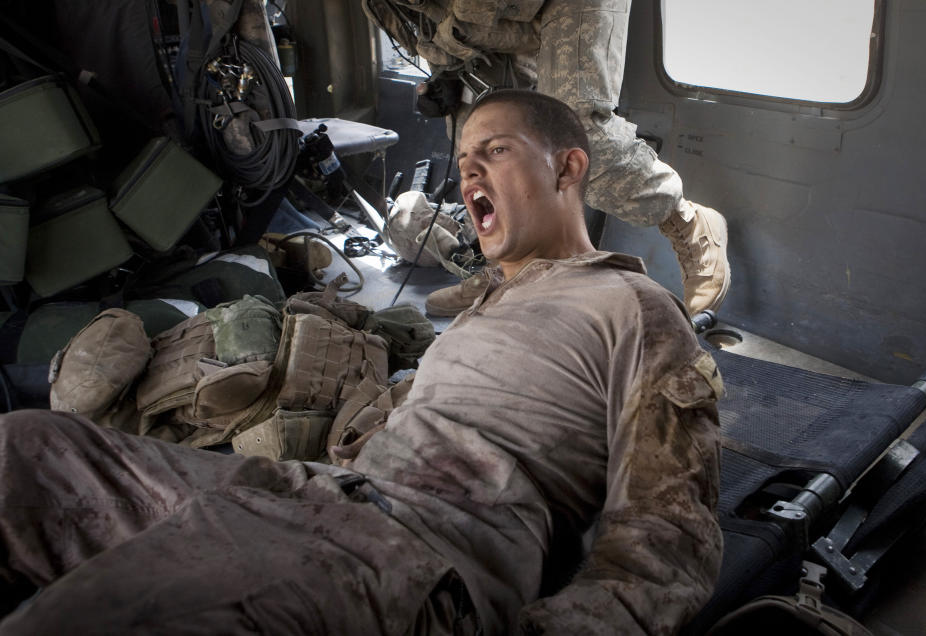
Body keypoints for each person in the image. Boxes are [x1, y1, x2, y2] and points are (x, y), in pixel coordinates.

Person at [0, 91, 722, 635]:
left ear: (568, 167)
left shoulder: (632, 305)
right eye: (463, 158)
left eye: (494, 151)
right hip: (312, 491)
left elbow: (665, 540)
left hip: (412, 544)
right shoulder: (486, 301)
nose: (468, 171)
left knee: (85, 616)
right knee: (23, 449)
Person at [363, 0, 731, 318]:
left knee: (579, 132)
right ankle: (507, 272)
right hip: (472, 23)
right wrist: (444, 61)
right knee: (477, 140)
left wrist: (453, 35)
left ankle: (686, 220)